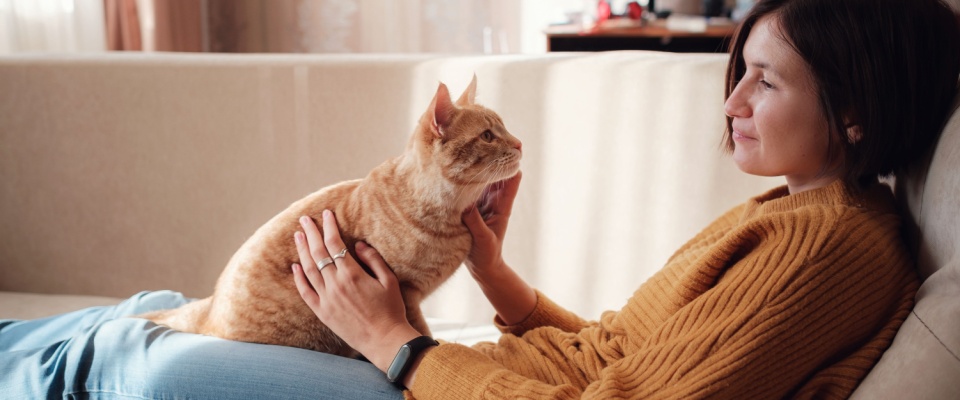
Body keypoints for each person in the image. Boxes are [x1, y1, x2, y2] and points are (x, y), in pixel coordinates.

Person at [2, 0, 958, 398]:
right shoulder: (789, 211)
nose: (734, 101)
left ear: (859, 110)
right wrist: (498, 278)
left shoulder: (834, 245)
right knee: (143, 323)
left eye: (767, 83)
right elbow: (618, 353)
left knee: (152, 371)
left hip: (449, 386)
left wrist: (400, 347)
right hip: (481, 376)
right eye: (738, 71)